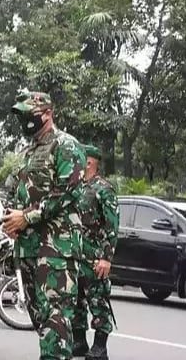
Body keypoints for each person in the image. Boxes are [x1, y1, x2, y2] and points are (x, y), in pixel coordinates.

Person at [2, 91, 85, 360]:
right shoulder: (28, 152)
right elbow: (17, 191)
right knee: (39, 317)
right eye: (22, 115)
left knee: (55, 317)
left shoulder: (66, 145)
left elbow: (66, 192)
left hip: (56, 248)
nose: (25, 120)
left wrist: (26, 217)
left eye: (30, 114)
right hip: (28, 247)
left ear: (48, 113)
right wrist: (10, 219)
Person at [72, 144, 118, 360]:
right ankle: (79, 341)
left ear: (89, 161)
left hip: (94, 256)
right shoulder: (75, 187)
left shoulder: (104, 189)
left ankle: (100, 346)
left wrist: (106, 258)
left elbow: (112, 226)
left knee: (97, 301)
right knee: (76, 301)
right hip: (74, 254)